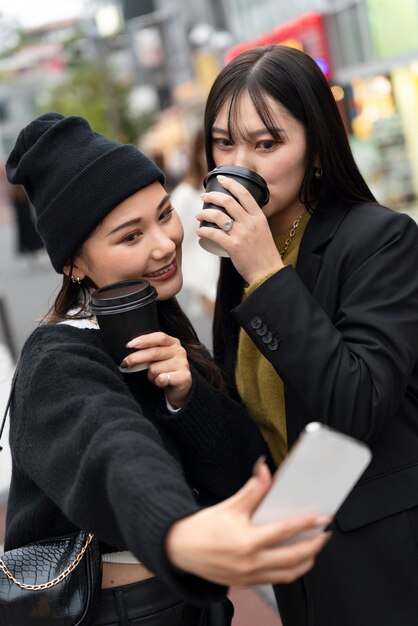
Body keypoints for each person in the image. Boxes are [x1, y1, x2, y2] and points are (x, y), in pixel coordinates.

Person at [3, 112, 330, 626]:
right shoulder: (57, 360)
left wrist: (188, 398)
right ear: (74, 263)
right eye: (130, 237)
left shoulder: (166, 329)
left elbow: (245, 474)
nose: (163, 244)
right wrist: (175, 532)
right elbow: (114, 447)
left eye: (163, 215)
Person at [196, 45, 418, 626]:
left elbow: (356, 401)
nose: (241, 163)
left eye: (267, 144)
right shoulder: (245, 252)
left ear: (316, 151)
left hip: (385, 558)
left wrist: (266, 273)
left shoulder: (381, 241)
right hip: (301, 557)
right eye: (224, 143)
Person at [171, 128, 219, 349]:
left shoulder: (219, 187)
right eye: (206, 150)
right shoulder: (186, 195)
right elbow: (173, 236)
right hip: (203, 276)